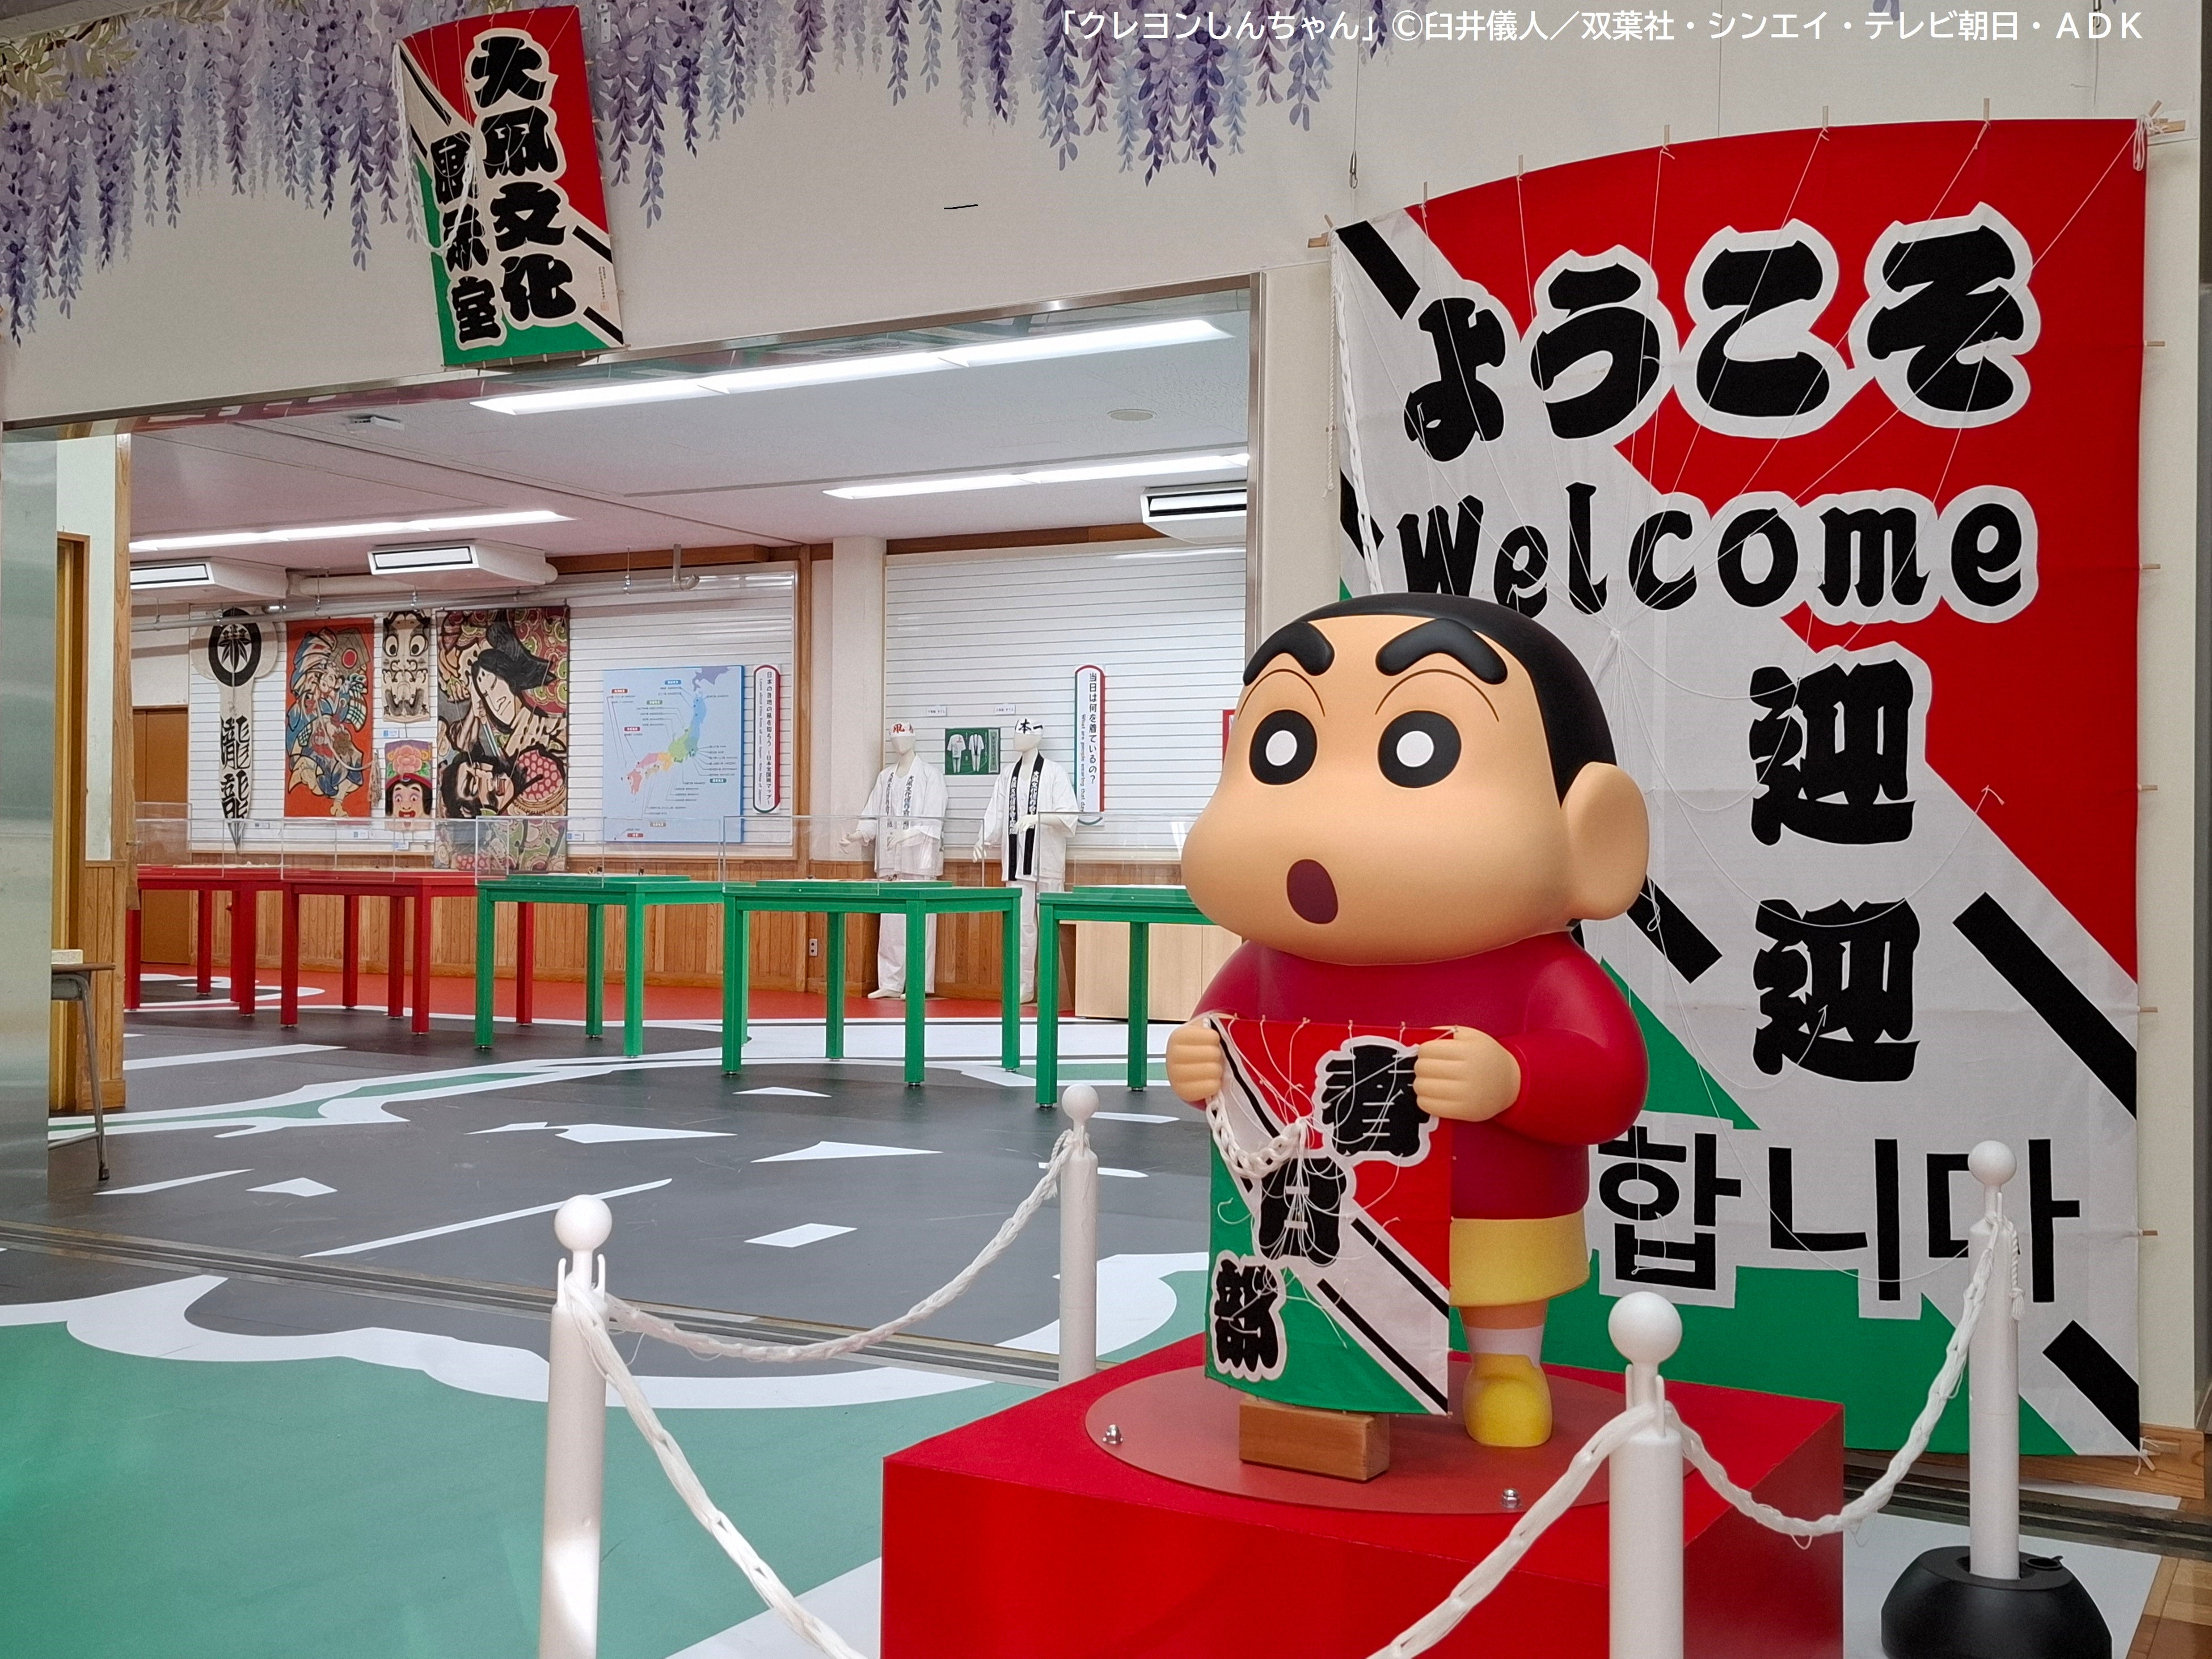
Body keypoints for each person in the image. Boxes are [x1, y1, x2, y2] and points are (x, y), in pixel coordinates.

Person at [1167, 593, 1650, 1449]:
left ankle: (1507, 1364)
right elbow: (1221, 1030)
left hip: (1493, 1196)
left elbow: (1610, 1079)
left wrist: (1515, 1078)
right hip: (1330, 1195)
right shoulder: (1271, 961)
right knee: (1331, 1282)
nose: (1325, 819)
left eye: (1418, 749)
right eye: (1284, 748)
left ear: (1591, 833)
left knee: (1499, 1285)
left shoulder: (1542, 973)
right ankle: (1335, 1368)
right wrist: (1202, 1058)